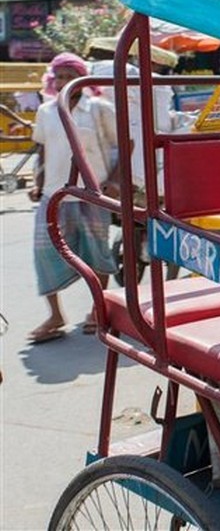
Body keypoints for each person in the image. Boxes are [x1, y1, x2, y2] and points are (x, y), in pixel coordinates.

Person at [27, 52, 119, 344]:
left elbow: (122, 145)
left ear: (83, 78)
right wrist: (37, 181)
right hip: (54, 193)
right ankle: (55, 315)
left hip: (91, 192)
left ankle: (97, 308)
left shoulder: (99, 109)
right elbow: (42, 149)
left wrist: (115, 181)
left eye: (70, 75)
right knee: (44, 253)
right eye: (60, 76)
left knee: (96, 253)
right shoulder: (46, 110)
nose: (65, 81)